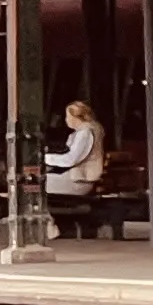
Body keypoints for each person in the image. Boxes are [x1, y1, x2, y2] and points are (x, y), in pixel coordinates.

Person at [44, 98, 105, 237]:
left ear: (76, 117)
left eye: (68, 116)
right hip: (78, 177)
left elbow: (71, 159)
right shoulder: (85, 131)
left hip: (80, 181)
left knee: (35, 185)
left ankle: (50, 226)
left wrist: (46, 158)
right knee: (36, 184)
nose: (66, 120)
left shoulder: (85, 133)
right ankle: (50, 225)